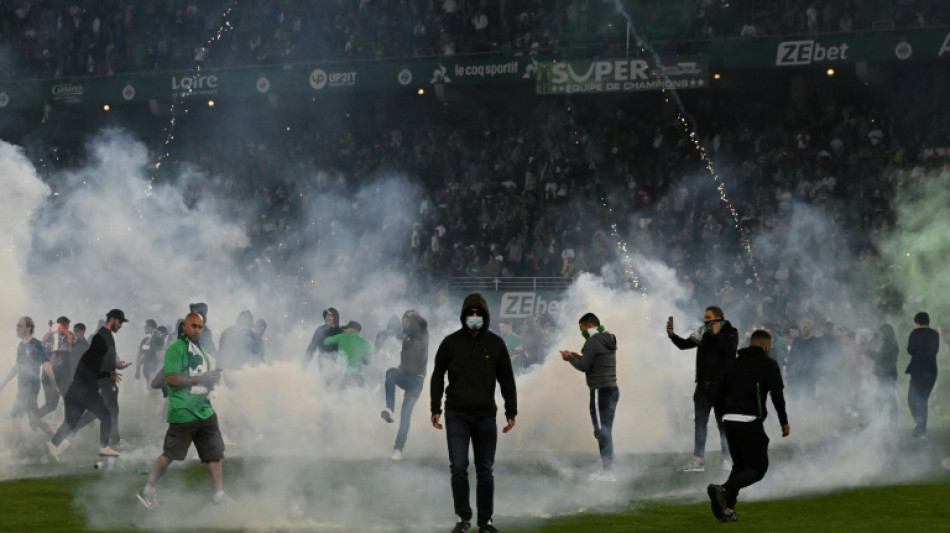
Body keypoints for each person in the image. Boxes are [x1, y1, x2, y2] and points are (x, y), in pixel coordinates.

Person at [431, 293, 517, 533]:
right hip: (456, 414)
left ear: (486, 315)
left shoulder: (496, 344)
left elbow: (507, 380)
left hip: (486, 416)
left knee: (485, 470)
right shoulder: (450, 343)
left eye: (479, 313)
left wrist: (511, 411)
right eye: (471, 313)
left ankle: (486, 522)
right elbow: (437, 376)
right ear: (464, 315)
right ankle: (463, 518)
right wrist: (435, 408)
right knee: (458, 467)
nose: (475, 317)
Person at [137, 312, 229, 508]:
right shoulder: (175, 350)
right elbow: (171, 379)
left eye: (200, 327)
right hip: (184, 412)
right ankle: (147, 491)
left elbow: (202, 376)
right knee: (169, 454)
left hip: (205, 409)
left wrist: (213, 379)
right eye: (193, 326)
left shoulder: (201, 348)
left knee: (214, 454)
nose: (197, 330)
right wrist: (202, 378)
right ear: (185, 327)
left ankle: (219, 496)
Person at [707, 330, 789, 523]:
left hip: (729, 420)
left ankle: (727, 508)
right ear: (767, 346)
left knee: (741, 466)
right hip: (749, 420)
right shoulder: (768, 364)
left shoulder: (732, 365)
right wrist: (783, 422)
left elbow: (718, 397)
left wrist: (723, 419)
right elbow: (777, 395)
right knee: (758, 468)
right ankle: (724, 490)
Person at [47, 309, 130, 461]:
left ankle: (53, 445)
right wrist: (101, 382)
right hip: (85, 391)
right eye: (120, 322)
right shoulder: (99, 345)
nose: (121, 325)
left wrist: (110, 371)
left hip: (75, 391)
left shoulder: (93, 351)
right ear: (113, 319)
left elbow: (93, 368)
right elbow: (92, 370)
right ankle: (104, 447)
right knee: (106, 415)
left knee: (71, 423)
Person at [667, 306, 738, 472]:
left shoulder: (731, 331)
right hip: (703, 386)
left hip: (722, 386)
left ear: (719, 317)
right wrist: (671, 335)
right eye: (705, 318)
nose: (706, 321)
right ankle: (697, 460)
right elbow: (684, 345)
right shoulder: (702, 332)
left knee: (723, 424)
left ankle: (728, 458)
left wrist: (716, 335)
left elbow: (728, 351)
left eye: (708, 317)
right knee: (700, 423)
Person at [559, 312, 618, 481]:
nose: (582, 333)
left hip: (599, 390)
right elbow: (595, 360)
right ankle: (607, 470)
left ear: (590, 326)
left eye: (582, 329)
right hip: (612, 389)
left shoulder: (592, 341)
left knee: (601, 431)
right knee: (606, 430)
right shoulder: (609, 337)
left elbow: (584, 366)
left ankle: (608, 472)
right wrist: (579, 356)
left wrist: (569, 358)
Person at [381, 310, 429, 460]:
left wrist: (413, 316)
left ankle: (398, 449)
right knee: (390, 372)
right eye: (404, 321)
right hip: (404, 375)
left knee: (406, 413)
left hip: (416, 381)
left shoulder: (422, 332)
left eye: (407, 320)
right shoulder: (405, 336)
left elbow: (422, 324)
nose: (405, 323)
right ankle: (389, 408)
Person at [0, 316, 57, 440]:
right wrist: (4, 382)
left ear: (29, 327)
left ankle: (17, 448)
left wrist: (53, 385)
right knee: (34, 419)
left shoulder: (37, 344)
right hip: (23, 385)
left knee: (15, 414)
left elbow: (47, 365)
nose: (17, 328)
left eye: (20, 326)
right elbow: (17, 366)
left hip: (30, 386)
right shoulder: (21, 346)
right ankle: (59, 439)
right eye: (17, 326)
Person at [906, 312, 939, 439]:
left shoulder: (915, 333)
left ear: (917, 322)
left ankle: (919, 422)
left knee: (912, 398)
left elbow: (910, 350)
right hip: (931, 370)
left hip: (918, 370)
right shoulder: (935, 334)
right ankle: (921, 429)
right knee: (923, 399)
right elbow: (935, 350)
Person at [864, 323, 898, 426]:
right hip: (887, 374)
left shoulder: (889, 344)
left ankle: (876, 422)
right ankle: (886, 422)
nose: (879, 335)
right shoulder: (890, 343)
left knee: (885, 398)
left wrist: (868, 351)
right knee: (885, 398)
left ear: (885, 333)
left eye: (881, 333)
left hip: (887, 375)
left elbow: (880, 358)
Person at [38, 316, 73, 417]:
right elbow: (64, 356)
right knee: (70, 401)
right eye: (68, 326)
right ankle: (69, 428)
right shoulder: (66, 334)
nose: (68, 328)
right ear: (65, 324)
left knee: (51, 405)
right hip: (59, 374)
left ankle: (34, 416)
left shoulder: (47, 335)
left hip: (46, 373)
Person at [324, 321, 372, 388]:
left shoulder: (342, 336)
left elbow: (326, 341)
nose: (345, 330)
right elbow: (368, 362)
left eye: (346, 328)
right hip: (358, 375)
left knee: (339, 394)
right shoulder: (365, 342)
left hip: (343, 374)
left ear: (352, 329)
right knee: (360, 394)